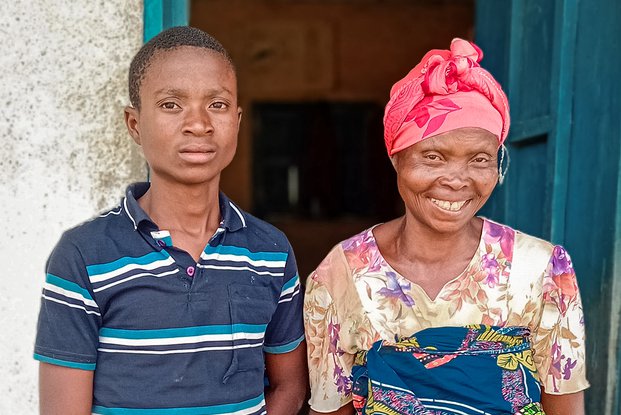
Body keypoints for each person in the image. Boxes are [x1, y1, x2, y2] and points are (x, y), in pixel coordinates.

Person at [304, 38, 588, 415]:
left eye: (480, 159)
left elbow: (565, 407)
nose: (457, 180)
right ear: (396, 159)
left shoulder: (542, 271)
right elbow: (331, 408)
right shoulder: (341, 275)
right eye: (433, 156)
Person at [34, 26, 307, 415]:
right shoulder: (84, 255)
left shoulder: (271, 252)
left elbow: (289, 385)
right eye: (171, 105)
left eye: (218, 105)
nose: (199, 124)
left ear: (238, 121)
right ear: (134, 125)